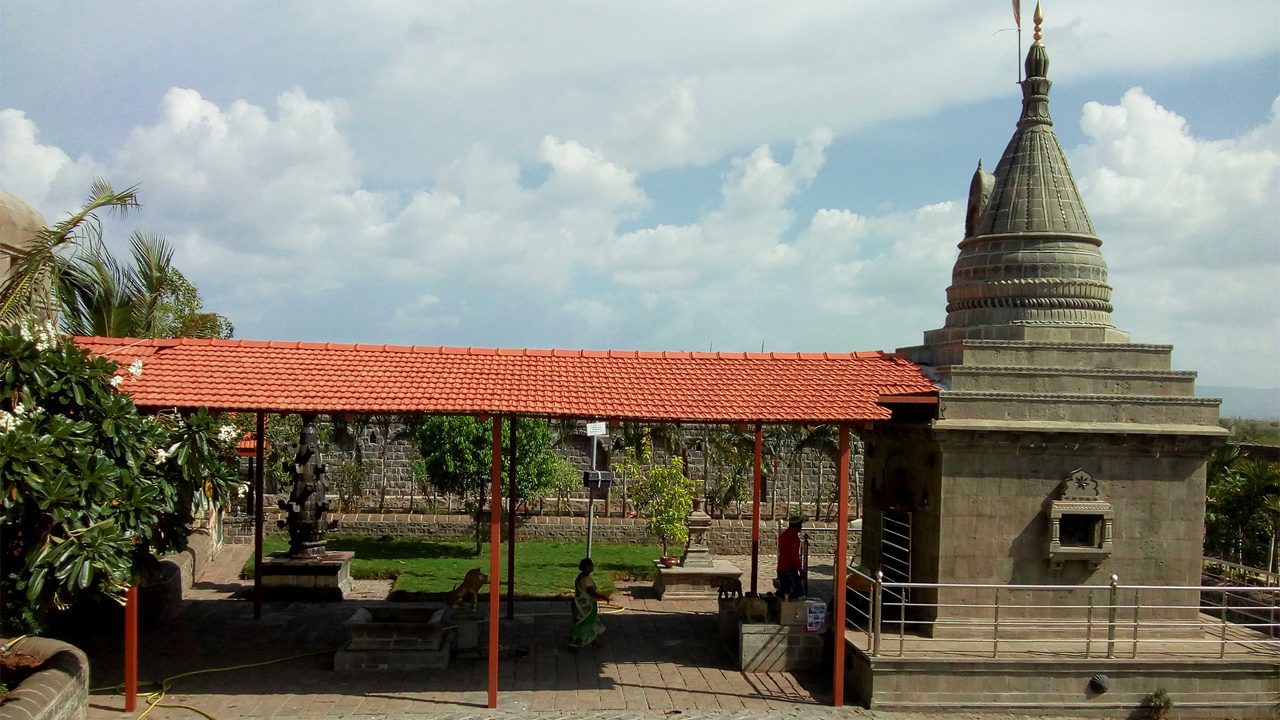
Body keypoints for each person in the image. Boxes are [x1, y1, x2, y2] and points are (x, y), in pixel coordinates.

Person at [569, 557, 610, 650]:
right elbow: (590, 591)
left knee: (591, 624)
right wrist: (602, 597)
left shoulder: (580, 576)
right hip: (585, 607)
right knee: (585, 626)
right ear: (587, 567)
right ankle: (574, 644)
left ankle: (594, 643)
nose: (592, 567)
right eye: (591, 565)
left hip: (580, 604)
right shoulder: (586, 579)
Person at [776, 514, 805, 599]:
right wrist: (801, 570)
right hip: (789, 570)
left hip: (781, 568)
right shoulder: (794, 539)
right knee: (797, 595)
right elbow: (794, 557)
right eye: (800, 525)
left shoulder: (783, 535)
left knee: (785, 593)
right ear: (797, 526)